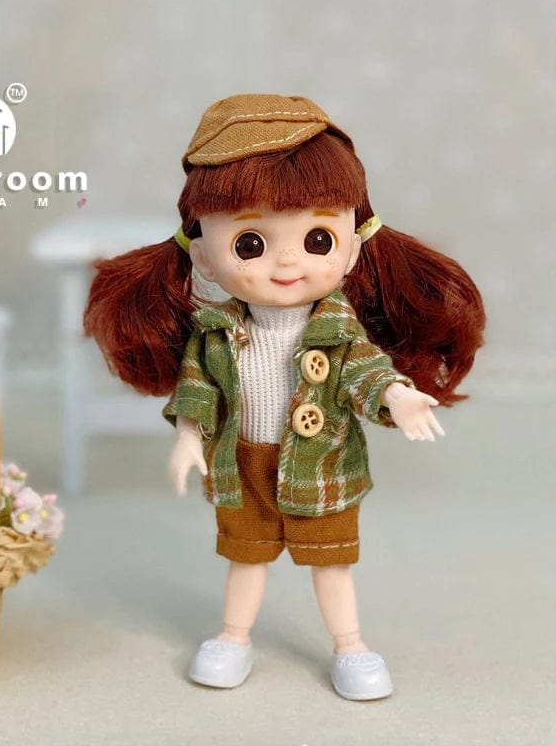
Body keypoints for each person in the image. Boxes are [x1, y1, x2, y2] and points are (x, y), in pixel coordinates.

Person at [83, 95, 485, 700]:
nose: (288, 261)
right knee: (246, 558)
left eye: (319, 238)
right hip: (242, 463)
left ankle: (350, 646)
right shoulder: (216, 333)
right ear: (203, 256)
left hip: (321, 467)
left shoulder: (337, 330)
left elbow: (364, 370)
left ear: (352, 249)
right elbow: (198, 390)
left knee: (332, 562)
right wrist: (188, 437)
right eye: (250, 244)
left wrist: (398, 396)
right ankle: (233, 638)